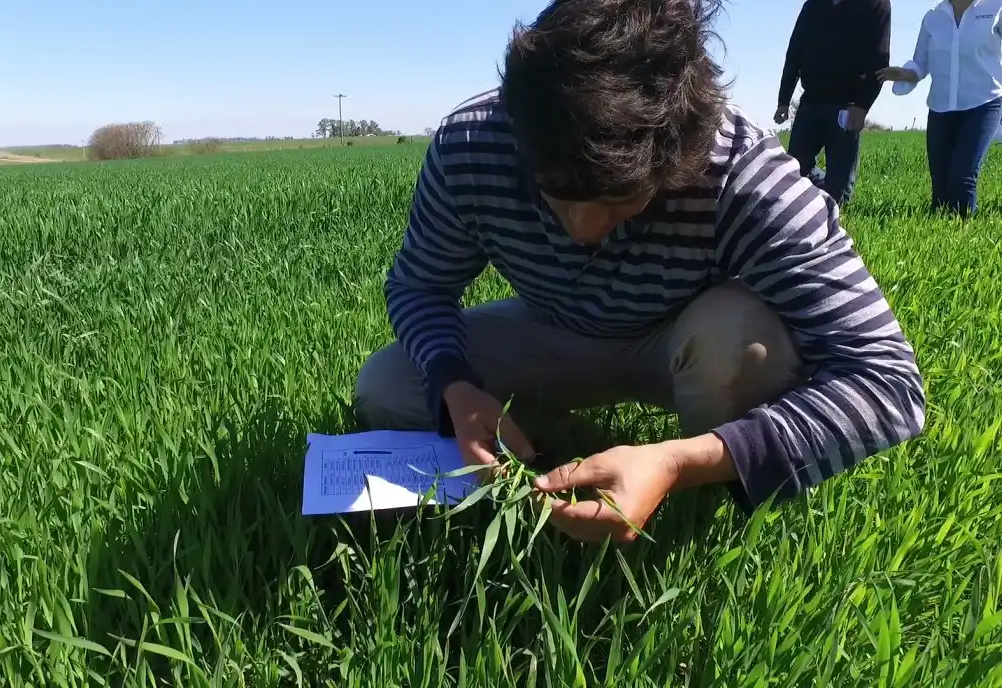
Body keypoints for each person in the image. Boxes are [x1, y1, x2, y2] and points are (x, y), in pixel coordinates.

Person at [354, 0, 926, 543]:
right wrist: (456, 385)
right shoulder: (472, 145)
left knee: (742, 349)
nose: (581, 228)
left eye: (619, 199)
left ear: (681, 153)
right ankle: (537, 441)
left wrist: (678, 462)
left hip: (692, 343)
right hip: (555, 330)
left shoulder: (744, 177)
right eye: (557, 193)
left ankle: (710, 466)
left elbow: (889, 384)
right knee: (390, 387)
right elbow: (420, 284)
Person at [877, 0, 1002, 218]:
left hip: (984, 104)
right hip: (940, 108)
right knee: (941, 193)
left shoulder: (996, 8)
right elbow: (920, 63)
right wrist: (904, 74)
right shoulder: (933, 17)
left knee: (963, 179)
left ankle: (964, 239)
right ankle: (943, 239)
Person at [774, 0, 892, 205]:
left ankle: (831, 211)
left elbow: (879, 59)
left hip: (847, 107)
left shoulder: (876, 4)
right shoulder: (813, 4)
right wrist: (784, 100)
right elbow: (795, 50)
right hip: (810, 102)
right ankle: (819, 193)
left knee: (839, 195)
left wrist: (862, 105)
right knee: (793, 173)